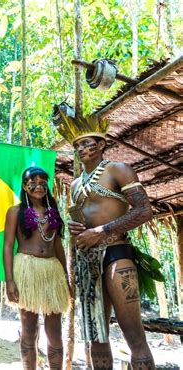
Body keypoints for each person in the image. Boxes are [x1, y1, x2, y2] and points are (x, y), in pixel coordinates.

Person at [58, 113, 155, 369]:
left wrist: (102, 230)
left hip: (116, 253)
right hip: (87, 261)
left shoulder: (118, 169)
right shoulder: (76, 184)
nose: (81, 148)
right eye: (77, 145)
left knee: (133, 333)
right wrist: (77, 228)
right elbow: (82, 222)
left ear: (101, 143)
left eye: (86, 142)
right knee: (96, 337)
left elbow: (144, 211)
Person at [3, 166, 69, 370]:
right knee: (29, 330)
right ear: (24, 186)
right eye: (33, 181)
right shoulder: (15, 212)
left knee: (55, 332)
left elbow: (58, 245)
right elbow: (7, 246)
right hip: (27, 269)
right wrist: (10, 280)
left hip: (52, 271)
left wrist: (66, 278)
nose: (38, 185)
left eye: (42, 181)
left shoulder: (53, 211)